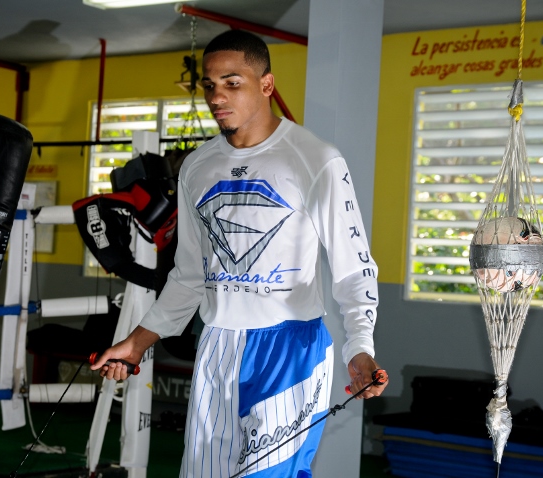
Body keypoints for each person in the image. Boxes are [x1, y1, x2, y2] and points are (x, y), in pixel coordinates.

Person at [90, 29, 387, 477]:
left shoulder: (315, 158)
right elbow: (190, 276)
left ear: (266, 85)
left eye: (233, 82)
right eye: (209, 85)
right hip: (217, 346)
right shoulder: (197, 166)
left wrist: (359, 347)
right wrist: (135, 344)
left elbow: (354, 270)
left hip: (290, 350)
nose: (217, 96)